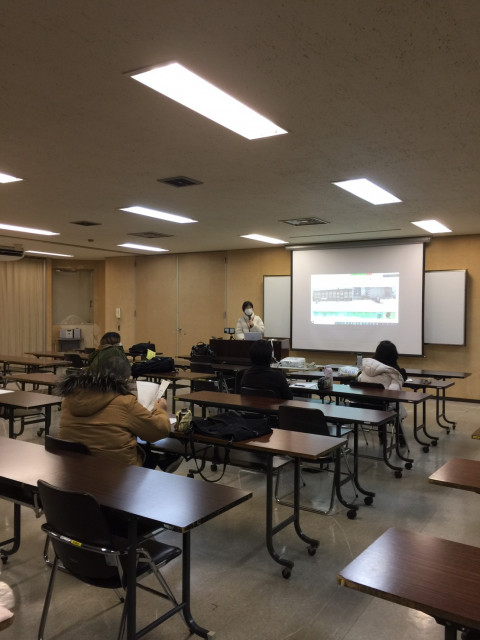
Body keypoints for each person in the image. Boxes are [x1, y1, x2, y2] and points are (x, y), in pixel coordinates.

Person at [56, 361, 172, 467]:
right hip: (118, 474)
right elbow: (157, 431)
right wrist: (160, 410)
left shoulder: (68, 401)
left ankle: (159, 459)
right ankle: (161, 460)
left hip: (75, 471)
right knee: (143, 450)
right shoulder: (125, 402)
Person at [358, 339, 408, 444]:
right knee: (392, 405)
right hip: (382, 406)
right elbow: (393, 393)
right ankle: (401, 440)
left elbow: (358, 380)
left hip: (363, 405)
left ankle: (382, 437)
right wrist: (402, 375)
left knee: (381, 401)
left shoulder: (366, 367)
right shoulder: (393, 370)